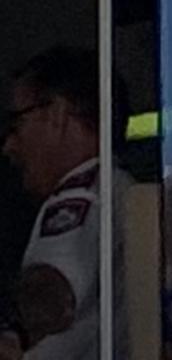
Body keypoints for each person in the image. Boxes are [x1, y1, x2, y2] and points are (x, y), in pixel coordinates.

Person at [0, 46, 131, 360]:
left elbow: (53, 290)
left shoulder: (82, 197)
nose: (9, 146)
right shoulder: (118, 190)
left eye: (17, 124)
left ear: (57, 115)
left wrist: (14, 333)